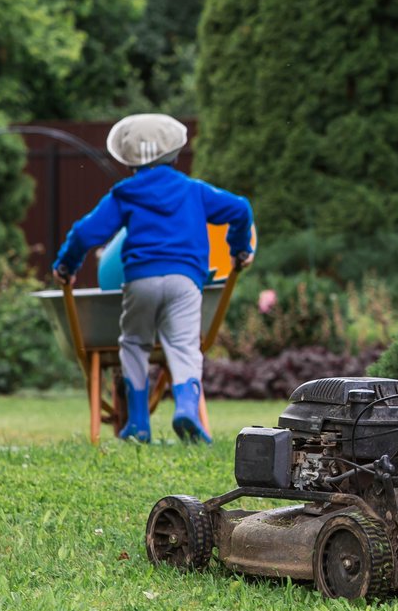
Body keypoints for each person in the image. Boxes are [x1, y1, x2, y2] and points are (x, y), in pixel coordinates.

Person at [52, 114, 255, 445]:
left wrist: (66, 265)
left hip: (141, 281)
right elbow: (241, 209)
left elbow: (85, 233)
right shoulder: (193, 190)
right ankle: (186, 408)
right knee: (184, 345)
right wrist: (240, 249)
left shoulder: (125, 193)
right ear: (175, 155)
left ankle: (138, 422)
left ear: (128, 160)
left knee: (134, 343)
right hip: (185, 280)